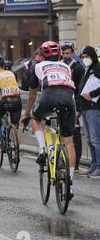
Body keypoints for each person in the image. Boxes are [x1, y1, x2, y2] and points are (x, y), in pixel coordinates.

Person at [20, 41, 76, 199]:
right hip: (68, 99)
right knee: (69, 142)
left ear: (42, 55)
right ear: (58, 54)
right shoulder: (66, 66)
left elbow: (32, 95)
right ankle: (69, 184)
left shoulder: (37, 66)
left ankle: (43, 150)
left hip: (48, 97)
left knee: (36, 119)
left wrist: (27, 114)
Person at [61, 42, 85, 172]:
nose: (65, 56)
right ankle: (64, 159)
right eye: (63, 53)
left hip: (75, 104)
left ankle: (75, 163)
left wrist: (79, 108)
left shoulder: (78, 68)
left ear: (73, 53)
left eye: (68, 53)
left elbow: (81, 89)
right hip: (63, 102)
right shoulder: (61, 67)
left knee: (75, 134)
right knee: (63, 132)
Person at [78, 46, 100, 179]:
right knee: (89, 140)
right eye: (83, 57)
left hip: (94, 107)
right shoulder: (88, 69)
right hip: (86, 108)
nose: (85, 59)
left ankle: (99, 167)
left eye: (87, 56)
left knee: (96, 139)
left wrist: (92, 94)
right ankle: (94, 165)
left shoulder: (97, 68)